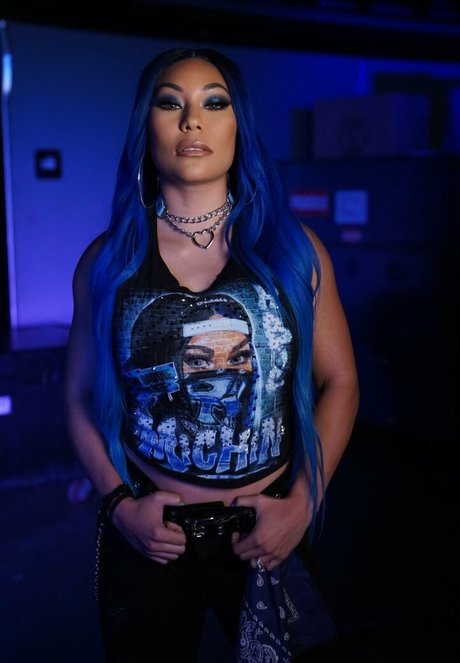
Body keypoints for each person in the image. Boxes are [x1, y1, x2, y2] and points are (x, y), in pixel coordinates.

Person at [64, 46, 359, 662]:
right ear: (146, 126)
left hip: (267, 531)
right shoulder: (108, 263)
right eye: (170, 103)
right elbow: (78, 394)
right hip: (151, 537)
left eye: (214, 102)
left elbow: (340, 381)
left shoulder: (294, 251)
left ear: (237, 125)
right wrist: (120, 508)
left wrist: (303, 503)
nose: (192, 120)